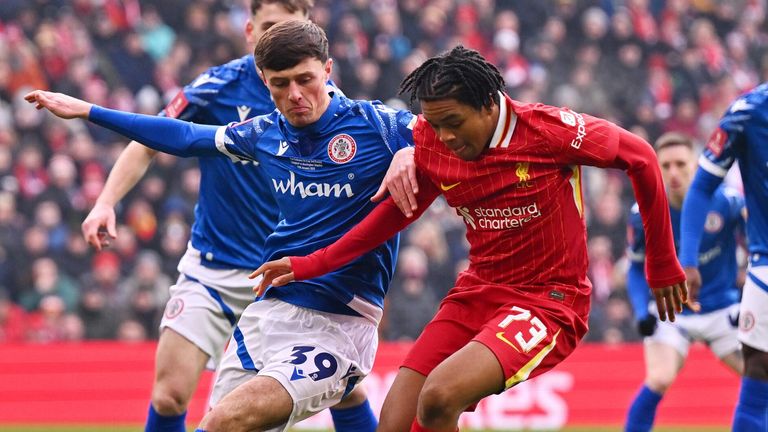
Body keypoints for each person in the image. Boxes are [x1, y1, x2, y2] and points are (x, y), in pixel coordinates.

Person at [252, 45, 689, 432]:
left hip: (548, 301)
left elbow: (642, 157)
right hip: (477, 293)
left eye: (453, 123)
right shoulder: (432, 141)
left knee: (440, 398)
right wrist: (309, 263)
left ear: (488, 106)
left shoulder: (548, 131)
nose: (443, 137)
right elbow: (391, 216)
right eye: (433, 125)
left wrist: (663, 263)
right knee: (395, 421)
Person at [26, 20, 416, 432]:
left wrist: (413, 153)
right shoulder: (264, 134)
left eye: (306, 80)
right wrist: (89, 111)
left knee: (226, 420)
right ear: (264, 80)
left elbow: (449, 139)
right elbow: (184, 136)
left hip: (340, 323)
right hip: (269, 313)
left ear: (328, 70)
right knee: (218, 423)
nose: (295, 95)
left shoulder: (379, 127)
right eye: (281, 84)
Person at [625, 132, 744, 432]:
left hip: (722, 310)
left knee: (760, 379)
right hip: (671, 312)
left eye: (681, 164)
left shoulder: (727, 201)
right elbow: (636, 270)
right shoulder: (643, 213)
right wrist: (642, 313)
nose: (673, 172)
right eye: (665, 166)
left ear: (696, 164)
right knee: (659, 378)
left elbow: (756, 241)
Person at [680, 84, 768, 432]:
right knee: (759, 369)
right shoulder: (747, 113)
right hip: (766, 266)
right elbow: (701, 187)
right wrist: (689, 261)